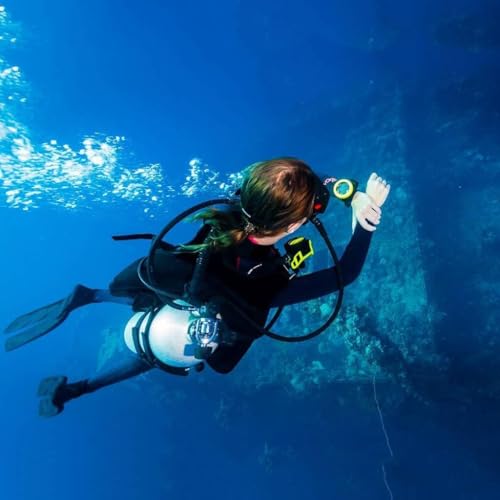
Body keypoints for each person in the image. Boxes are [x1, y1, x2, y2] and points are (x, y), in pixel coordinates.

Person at [4, 158, 390, 417]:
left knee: (157, 296)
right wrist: (365, 219)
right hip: (198, 318)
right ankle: (78, 389)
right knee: (153, 356)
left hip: (178, 281)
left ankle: (89, 296)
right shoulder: (267, 287)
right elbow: (346, 273)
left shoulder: (230, 209)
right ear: (291, 228)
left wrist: (345, 191)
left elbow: (293, 181)